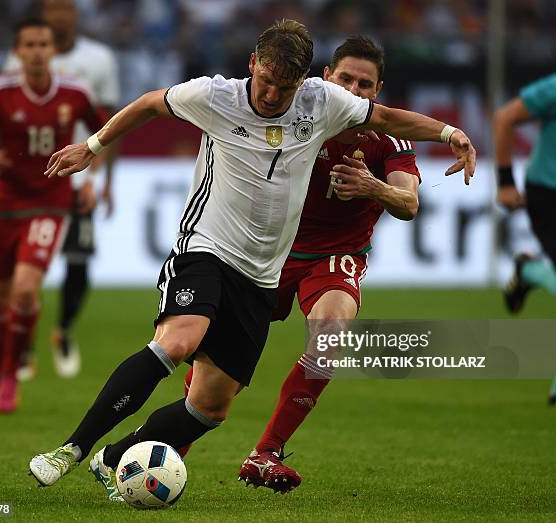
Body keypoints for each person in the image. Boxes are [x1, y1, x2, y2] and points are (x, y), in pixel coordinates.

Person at [28, 19, 475, 501]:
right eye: (264, 81)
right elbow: (150, 103)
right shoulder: (214, 96)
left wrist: (450, 133)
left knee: (209, 408)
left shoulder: (323, 104)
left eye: (283, 88)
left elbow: (387, 119)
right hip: (206, 247)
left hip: (262, 274)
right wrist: (91, 147)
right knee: (178, 341)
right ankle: (70, 449)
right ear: (252, 65)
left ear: (303, 82)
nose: (269, 95)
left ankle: (117, 456)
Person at [177, 35, 421, 493]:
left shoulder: (387, 137)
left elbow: (408, 203)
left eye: (365, 84)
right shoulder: (299, 114)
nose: (354, 89)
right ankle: (171, 446)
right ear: (325, 79)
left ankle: (266, 452)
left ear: (378, 90)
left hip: (334, 257)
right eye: (345, 78)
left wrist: (376, 188)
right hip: (269, 253)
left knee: (331, 333)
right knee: (217, 359)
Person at [0, 18, 103, 415]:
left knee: (25, 289)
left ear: (53, 51)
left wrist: (92, 177)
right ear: (18, 52)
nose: (38, 51)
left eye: (44, 44)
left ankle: (10, 378)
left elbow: (103, 133)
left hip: (50, 202)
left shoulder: (76, 91)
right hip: (6, 204)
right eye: (30, 44)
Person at [0, 0, 120, 380]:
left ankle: (63, 331)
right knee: (25, 277)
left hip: (79, 176)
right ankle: (23, 350)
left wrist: (100, 181)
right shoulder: (19, 61)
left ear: (74, 15)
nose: (59, 16)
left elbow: (113, 126)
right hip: (32, 179)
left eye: (65, 8)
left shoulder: (99, 60)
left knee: (79, 259)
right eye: (52, 8)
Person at [493, 72, 556, 404]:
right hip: (548, 195)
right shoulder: (553, 89)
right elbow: (506, 118)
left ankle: (529, 272)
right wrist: (505, 181)